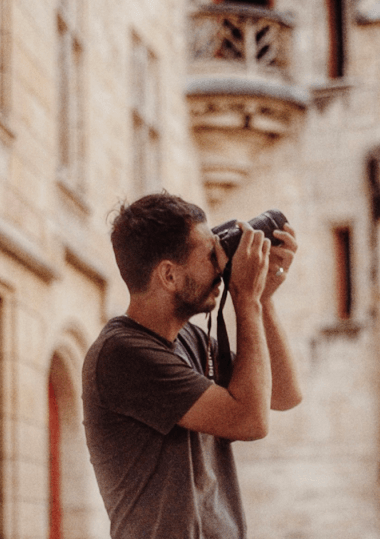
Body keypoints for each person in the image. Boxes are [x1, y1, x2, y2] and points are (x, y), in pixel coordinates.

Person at [82, 192, 302, 539]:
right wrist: (245, 300)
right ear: (168, 275)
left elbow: (285, 394)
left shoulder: (192, 341)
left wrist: (263, 299)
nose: (221, 265)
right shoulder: (122, 354)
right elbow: (251, 421)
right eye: (210, 255)